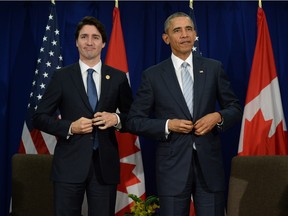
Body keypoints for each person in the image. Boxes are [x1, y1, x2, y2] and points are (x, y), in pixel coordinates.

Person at [126, 12, 242, 216]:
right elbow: (134, 121)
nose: (185, 35)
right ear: (166, 38)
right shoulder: (153, 75)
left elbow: (234, 107)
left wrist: (218, 117)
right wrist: (167, 125)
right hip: (172, 169)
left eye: (189, 29)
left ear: (195, 33)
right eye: (177, 30)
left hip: (209, 167)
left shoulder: (213, 68)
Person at [33, 16, 133, 216]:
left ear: (103, 43)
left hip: (104, 168)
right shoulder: (61, 76)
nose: (89, 42)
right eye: (84, 37)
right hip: (69, 167)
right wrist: (70, 127)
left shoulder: (118, 77)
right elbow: (39, 117)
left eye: (95, 37)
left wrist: (117, 119)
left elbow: (134, 117)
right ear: (76, 41)